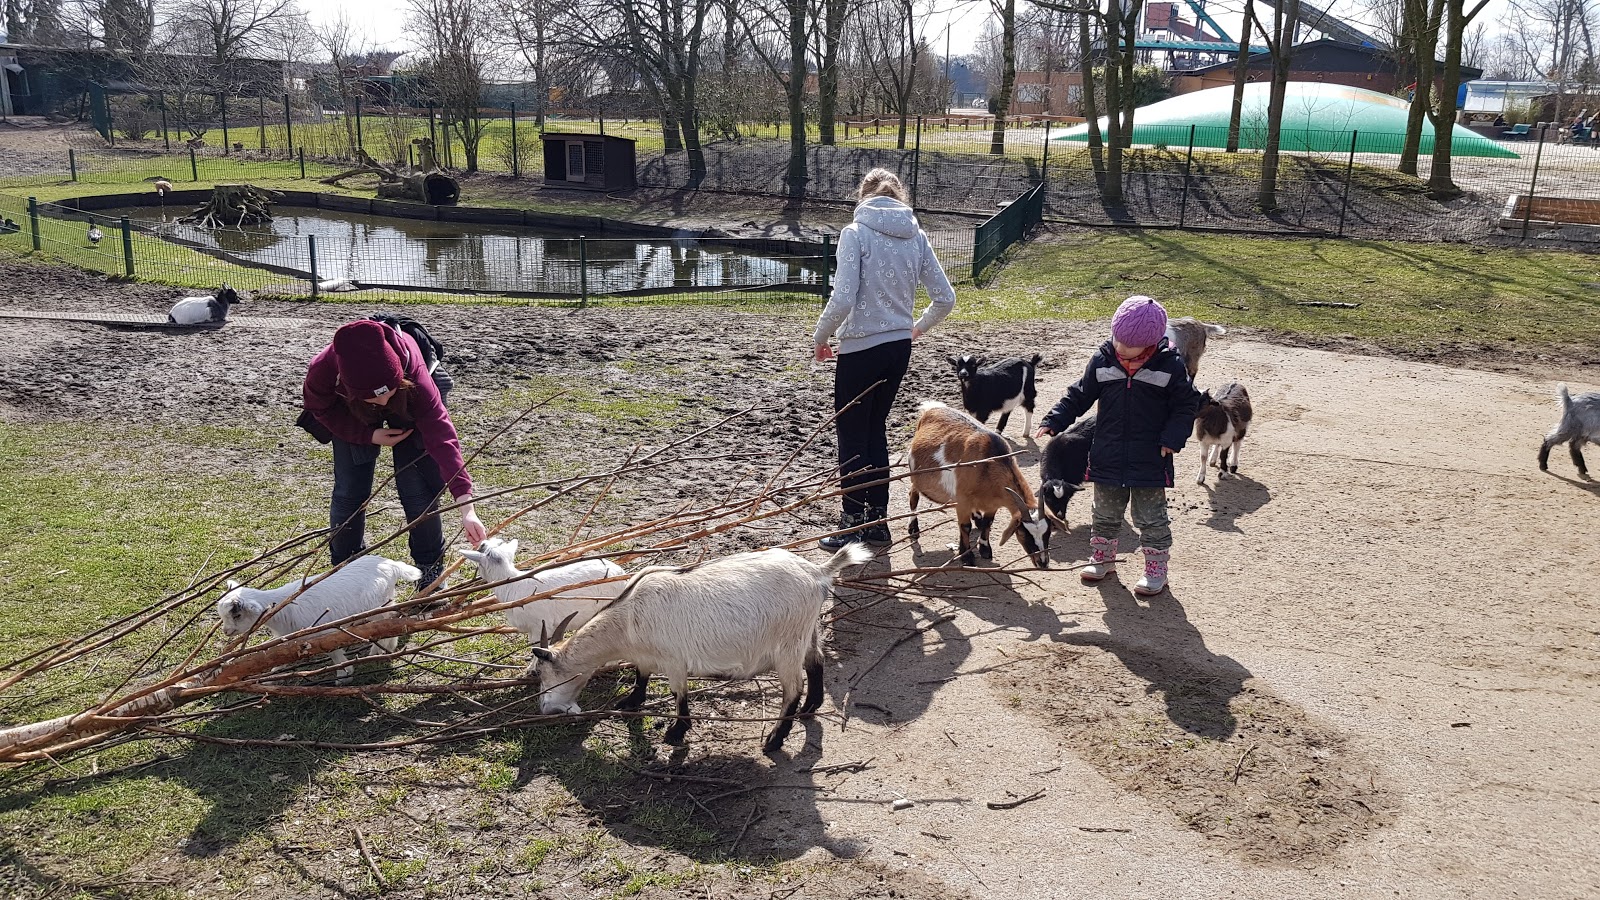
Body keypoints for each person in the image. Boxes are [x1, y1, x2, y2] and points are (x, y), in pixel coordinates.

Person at [812, 168, 956, 549]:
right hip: (897, 350)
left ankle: (851, 523)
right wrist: (916, 328)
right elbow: (946, 298)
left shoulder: (855, 233)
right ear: (898, 198)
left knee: (852, 433)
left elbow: (843, 297)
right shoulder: (916, 236)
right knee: (875, 429)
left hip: (861, 348)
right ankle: (877, 521)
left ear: (863, 196)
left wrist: (820, 336)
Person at [300, 319, 487, 588]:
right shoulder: (322, 369)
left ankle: (429, 569)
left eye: (387, 393)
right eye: (374, 398)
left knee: (418, 489)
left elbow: (442, 436)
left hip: (409, 397)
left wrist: (466, 507)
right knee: (350, 491)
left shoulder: (414, 369)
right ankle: (346, 568)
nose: (382, 402)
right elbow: (320, 408)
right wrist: (366, 435)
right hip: (350, 411)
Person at [1034, 295, 1199, 596]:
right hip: (1107, 454)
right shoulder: (1103, 360)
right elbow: (1079, 394)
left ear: (1150, 344)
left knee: (1150, 516)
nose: (1119, 346)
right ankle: (1103, 558)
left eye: (1128, 344)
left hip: (1150, 456)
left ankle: (1156, 569)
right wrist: (1055, 419)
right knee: (1104, 512)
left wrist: (1173, 438)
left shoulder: (1170, 366)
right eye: (1117, 339)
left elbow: (1186, 406)